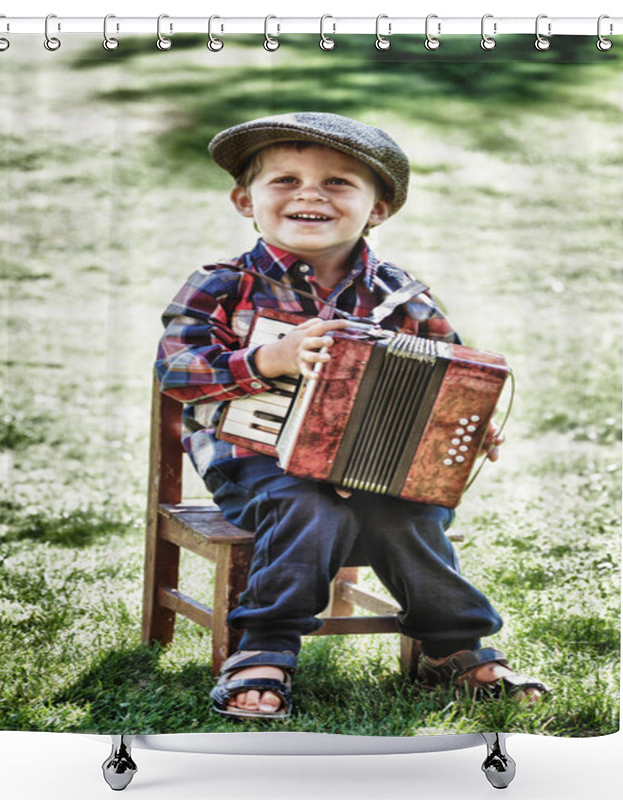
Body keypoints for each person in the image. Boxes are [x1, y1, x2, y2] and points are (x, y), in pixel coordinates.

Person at [156, 112, 548, 720]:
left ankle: (454, 645)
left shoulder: (401, 296)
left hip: (376, 469)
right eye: (284, 180)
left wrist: (468, 422)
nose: (310, 193)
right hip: (256, 460)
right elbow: (177, 371)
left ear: (378, 208)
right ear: (244, 200)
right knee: (307, 505)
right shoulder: (222, 286)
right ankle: (265, 647)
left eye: (338, 182)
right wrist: (270, 358)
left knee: (408, 513)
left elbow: (454, 375)